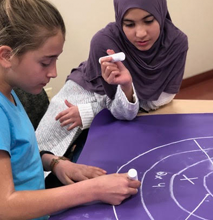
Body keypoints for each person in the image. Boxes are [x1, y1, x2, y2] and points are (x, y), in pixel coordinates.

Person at [0, 0, 141, 219]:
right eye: (45, 62)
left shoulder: (6, 93)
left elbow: (16, 156)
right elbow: (4, 207)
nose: (54, 72)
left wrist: (55, 162)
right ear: (6, 56)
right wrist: (92, 190)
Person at [36, 0, 188, 184]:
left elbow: (162, 99)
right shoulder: (104, 41)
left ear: (161, 14)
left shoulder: (176, 43)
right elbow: (114, 102)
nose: (140, 33)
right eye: (129, 24)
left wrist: (92, 112)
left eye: (149, 21)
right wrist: (111, 102)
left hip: (117, 108)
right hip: (85, 91)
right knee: (38, 166)